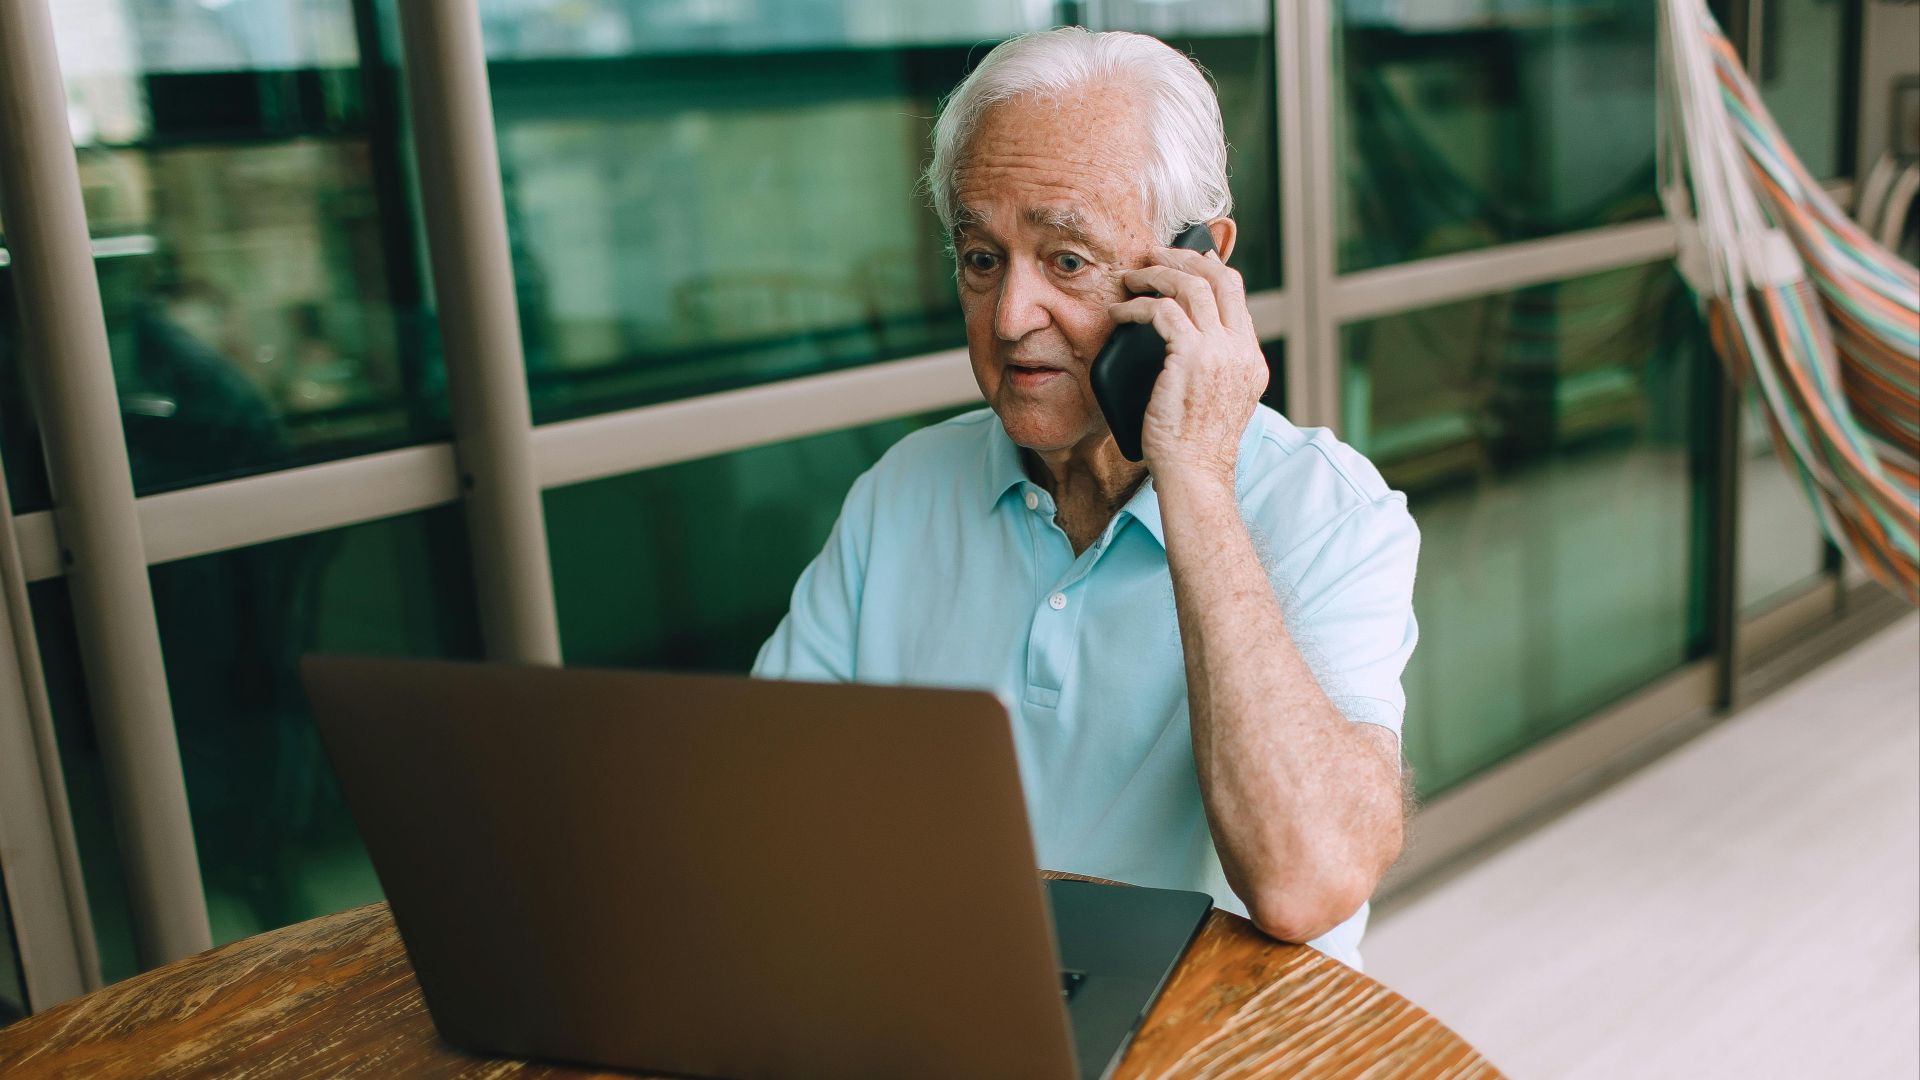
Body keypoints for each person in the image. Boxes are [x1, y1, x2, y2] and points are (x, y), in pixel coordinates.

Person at [753, 27, 1419, 970]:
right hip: (944, 997)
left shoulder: (1332, 512)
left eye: (1066, 260)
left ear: (1200, 267)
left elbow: (1306, 882)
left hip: (1206, 1038)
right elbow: (766, 802)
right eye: (982, 259)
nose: (1011, 317)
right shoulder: (901, 492)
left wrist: (1192, 476)